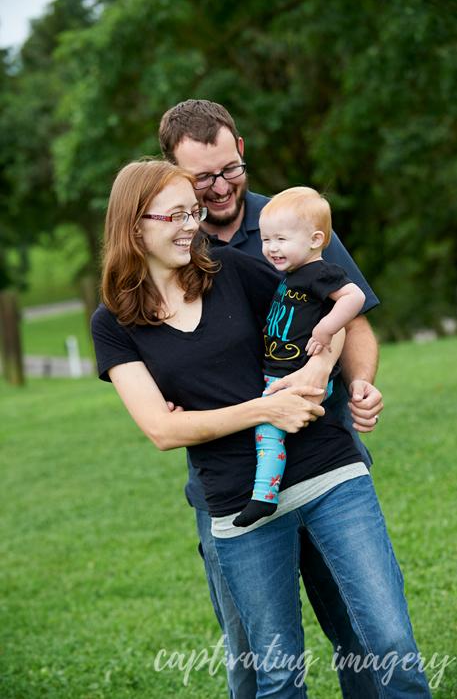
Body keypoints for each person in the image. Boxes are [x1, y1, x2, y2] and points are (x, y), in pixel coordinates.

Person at [91, 159, 432, 699]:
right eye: (176, 214)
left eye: (194, 212)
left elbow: (329, 303)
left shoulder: (228, 269)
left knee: (388, 643)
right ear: (134, 225)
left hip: (326, 470)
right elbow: (160, 429)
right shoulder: (113, 323)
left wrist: (321, 367)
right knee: (275, 675)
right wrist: (263, 410)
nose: (191, 225)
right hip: (237, 502)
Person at [158, 99, 383, 698]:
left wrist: (358, 380)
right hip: (231, 482)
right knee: (256, 660)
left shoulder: (293, 217)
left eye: (231, 168)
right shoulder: (172, 247)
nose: (222, 186)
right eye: (203, 177)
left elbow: (352, 317)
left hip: (323, 458)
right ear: (176, 177)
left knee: (359, 635)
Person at [234, 187, 366, 528]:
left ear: (315, 239)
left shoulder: (320, 272)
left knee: (267, 429)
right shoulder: (293, 275)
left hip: (295, 373)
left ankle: (264, 496)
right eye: (265, 240)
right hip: (280, 368)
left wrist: (326, 328)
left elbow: (354, 297)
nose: (271, 248)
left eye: (281, 239)